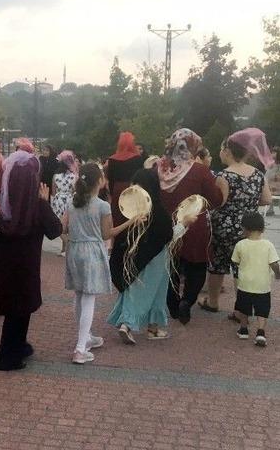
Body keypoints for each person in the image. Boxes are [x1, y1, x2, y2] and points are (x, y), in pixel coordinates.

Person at [0, 149, 62, 371]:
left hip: (3, 265)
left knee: (17, 310)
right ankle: (5, 357)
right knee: (19, 311)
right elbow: (55, 230)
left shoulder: (1, 200)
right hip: (26, 266)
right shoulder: (37, 205)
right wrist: (44, 201)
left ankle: (19, 346)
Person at [64, 164, 142, 364]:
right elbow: (107, 234)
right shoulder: (102, 205)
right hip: (91, 251)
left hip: (74, 250)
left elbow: (63, 227)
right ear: (99, 181)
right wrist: (131, 221)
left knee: (80, 295)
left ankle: (87, 337)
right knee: (89, 298)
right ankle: (80, 348)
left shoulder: (72, 202)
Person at [108, 170, 196, 344]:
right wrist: (184, 223)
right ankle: (128, 324)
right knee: (155, 292)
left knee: (137, 289)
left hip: (136, 259)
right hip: (158, 260)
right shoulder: (159, 212)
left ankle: (151, 328)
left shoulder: (132, 212)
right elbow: (168, 236)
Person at [157, 129, 223, 324]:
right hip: (195, 226)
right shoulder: (200, 171)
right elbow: (216, 200)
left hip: (167, 225)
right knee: (196, 267)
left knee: (171, 267)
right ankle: (187, 301)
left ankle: (173, 304)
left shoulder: (160, 169)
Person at [204, 130, 273, 312]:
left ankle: (213, 302)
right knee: (241, 267)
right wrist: (247, 202)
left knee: (218, 265)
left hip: (225, 228)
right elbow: (266, 200)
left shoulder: (224, 176)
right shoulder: (258, 174)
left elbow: (220, 202)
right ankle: (240, 309)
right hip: (248, 227)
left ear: (227, 151)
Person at [231, 212, 280, 347]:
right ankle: (260, 332)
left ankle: (243, 330)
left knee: (243, 308)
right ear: (263, 229)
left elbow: (235, 261)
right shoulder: (268, 245)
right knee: (262, 310)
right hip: (262, 286)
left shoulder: (240, 245)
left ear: (244, 229)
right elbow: (274, 264)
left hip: (244, 284)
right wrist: (278, 274)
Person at [107, 132, 146, 226]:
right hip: (132, 189)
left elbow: (110, 179)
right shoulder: (138, 158)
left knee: (118, 215)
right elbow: (141, 177)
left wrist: (113, 193)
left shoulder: (112, 159)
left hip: (118, 189)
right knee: (133, 215)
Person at [51, 150, 78, 256]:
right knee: (68, 225)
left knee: (59, 226)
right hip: (70, 200)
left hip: (58, 200)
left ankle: (65, 247)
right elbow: (75, 190)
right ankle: (66, 248)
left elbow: (53, 192)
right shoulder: (74, 176)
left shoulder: (55, 176)